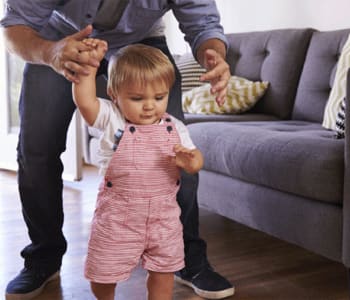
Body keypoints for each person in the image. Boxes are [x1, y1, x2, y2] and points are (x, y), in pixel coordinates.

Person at [0, 1, 233, 299]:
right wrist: (51, 52)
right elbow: (14, 27)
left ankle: (188, 260)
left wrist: (213, 57)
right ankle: (42, 259)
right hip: (56, 38)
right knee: (37, 151)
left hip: (141, 40)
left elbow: (204, 26)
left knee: (172, 149)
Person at [74, 40, 204, 300]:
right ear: (114, 94)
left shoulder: (174, 126)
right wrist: (86, 70)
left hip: (164, 219)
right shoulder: (112, 118)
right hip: (119, 218)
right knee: (103, 275)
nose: (149, 106)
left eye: (159, 97)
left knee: (163, 272)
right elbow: (86, 102)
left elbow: (195, 156)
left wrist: (192, 162)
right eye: (137, 98)